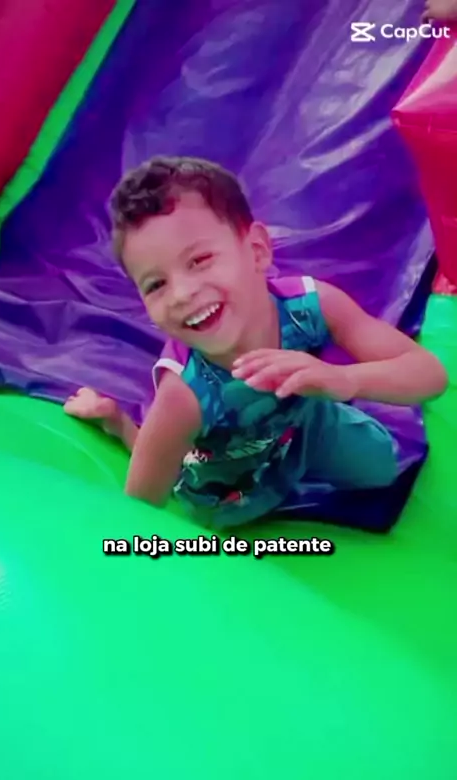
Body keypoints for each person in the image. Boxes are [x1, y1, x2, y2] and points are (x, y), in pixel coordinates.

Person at [64, 156, 448, 529]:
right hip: (228, 479)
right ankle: (119, 423)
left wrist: (344, 380)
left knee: (381, 469)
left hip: (303, 426)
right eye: (156, 284)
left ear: (257, 251)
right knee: (186, 480)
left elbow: (430, 375)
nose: (181, 294)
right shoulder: (182, 396)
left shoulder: (310, 307)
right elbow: (137, 512)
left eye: (199, 260)